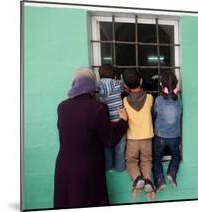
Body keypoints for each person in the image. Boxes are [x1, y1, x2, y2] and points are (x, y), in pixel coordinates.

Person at [54, 67, 128, 209]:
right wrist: (123, 122)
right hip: (88, 170)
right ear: (92, 85)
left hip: (64, 168)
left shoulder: (62, 107)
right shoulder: (98, 108)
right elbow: (110, 140)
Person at [122, 69, 155, 200]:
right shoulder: (149, 98)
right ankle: (147, 180)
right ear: (141, 81)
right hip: (147, 137)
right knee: (147, 161)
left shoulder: (124, 101)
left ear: (125, 86)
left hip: (132, 139)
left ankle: (137, 178)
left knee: (131, 162)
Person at [152, 71, 183, 192]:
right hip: (175, 137)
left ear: (161, 85)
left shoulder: (159, 100)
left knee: (157, 158)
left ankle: (159, 180)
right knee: (176, 156)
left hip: (160, 137)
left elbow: (154, 113)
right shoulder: (179, 101)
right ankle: (172, 171)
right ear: (176, 85)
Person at [97, 64, 126, 172]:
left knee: (107, 146)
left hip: (106, 122)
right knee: (120, 147)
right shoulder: (116, 84)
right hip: (119, 120)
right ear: (114, 75)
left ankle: (108, 167)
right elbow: (124, 86)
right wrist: (121, 78)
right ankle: (120, 167)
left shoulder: (98, 86)